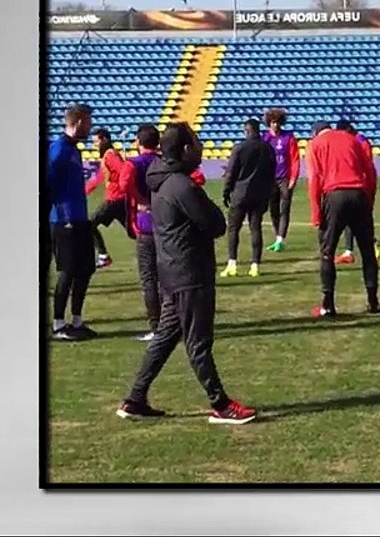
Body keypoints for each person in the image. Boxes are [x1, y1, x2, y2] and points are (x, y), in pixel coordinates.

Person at [116, 121, 257, 425]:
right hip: (188, 272)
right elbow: (216, 223)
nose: (200, 148)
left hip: (173, 271)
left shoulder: (164, 180)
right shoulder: (181, 185)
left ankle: (134, 398)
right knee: (198, 341)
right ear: (183, 150)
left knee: (165, 338)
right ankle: (220, 405)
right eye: (195, 143)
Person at [308, 121, 380, 318]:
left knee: (327, 251)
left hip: (335, 196)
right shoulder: (352, 140)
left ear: (316, 133)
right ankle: (373, 300)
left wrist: (316, 213)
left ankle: (328, 304)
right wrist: (369, 199)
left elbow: (315, 178)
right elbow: (371, 172)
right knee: (367, 251)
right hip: (359, 194)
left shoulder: (315, 145)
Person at [48, 104, 99, 341]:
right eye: (87, 121)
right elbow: (48, 182)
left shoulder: (74, 150)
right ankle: (58, 324)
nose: (90, 126)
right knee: (67, 271)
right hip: (64, 220)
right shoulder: (59, 149)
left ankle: (77, 320)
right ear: (77, 121)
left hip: (79, 219)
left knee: (85, 269)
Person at [120, 124, 166, 341]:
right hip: (167, 224)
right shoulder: (164, 161)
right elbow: (197, 177)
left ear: (138, 141)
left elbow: (124, 184)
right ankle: (172, 323)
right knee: (167, 277)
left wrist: (139, 200)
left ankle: (157, 327)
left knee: (149, 278)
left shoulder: (132, 163)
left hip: (145, 224)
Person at [220, 119, 277, 278]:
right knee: (255, 228)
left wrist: (226, 191)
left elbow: (231, 172)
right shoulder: (268, 148)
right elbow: (272, 172)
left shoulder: (239, 148)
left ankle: (232, 264)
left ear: (247, 130)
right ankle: (255, 265)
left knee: (233, 229)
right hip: (259, 194)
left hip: (241, 193)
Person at [335, 120, 380, 265]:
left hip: (361, 186)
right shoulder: (355, 141)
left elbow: (366, 165)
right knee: (350, 219)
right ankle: (349, 251)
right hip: (355, 185)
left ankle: (372, 243)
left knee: (360, 220)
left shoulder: (360, 142)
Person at [86, 128, 130, 269]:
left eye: (96, 141)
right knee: (134, 231)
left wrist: (121, 188)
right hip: (119, 199)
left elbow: (124, 170)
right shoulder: (107, 156)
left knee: (89, 225)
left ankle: (103, 256)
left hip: (115, 199)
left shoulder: (110, 156)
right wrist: (85, 191)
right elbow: (99, 177)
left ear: (105, 139)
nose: (95, 145)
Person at [262, 108, 300, 254]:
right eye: (272, 122)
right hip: (270, 179)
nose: (275, 125)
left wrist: (293, 178)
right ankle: (278, 236)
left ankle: (280, 239)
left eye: (277, 122)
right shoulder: (265, 139)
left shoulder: (288, 138)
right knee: (273, 210)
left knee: (285, 209)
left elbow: (295, 159)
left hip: (284, 179)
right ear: (268, 123)